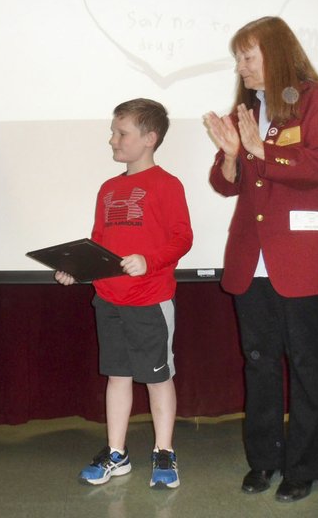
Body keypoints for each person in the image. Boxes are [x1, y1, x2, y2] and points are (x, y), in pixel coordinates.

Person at [203, 16, 318, 503]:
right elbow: (227, 183)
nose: (241, 66)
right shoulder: (247, 107)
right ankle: (263, 460)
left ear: (278, 53)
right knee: (259, 362)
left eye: (248, 56)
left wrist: (257, 149)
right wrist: (229, 157)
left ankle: (305, 466)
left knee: (307, 364)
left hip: (303, 256)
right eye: (238, 58)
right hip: (252, 256)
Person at [55, 99, 193, 489]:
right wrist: (76, 271)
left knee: (157, 378)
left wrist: (149, 261)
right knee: (117, 376)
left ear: (150, 138)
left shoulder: (167, 184)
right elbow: (99, 244)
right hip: (109, 300)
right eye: (113, 131)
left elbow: (182, 237)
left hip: (149, 300)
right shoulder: (109, 188)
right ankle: (117, 453)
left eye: (121, 133)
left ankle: (163, 452)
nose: (112, 139)